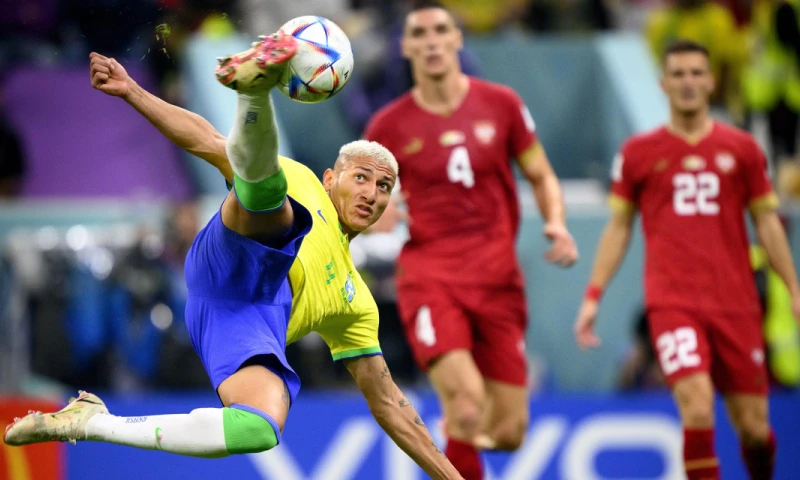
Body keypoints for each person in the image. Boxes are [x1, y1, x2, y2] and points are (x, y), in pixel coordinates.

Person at [4, 33, 463, 480]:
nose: (371, 192)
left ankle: (92, 422)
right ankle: (255, 92)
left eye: (384, 187)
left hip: (241, 320)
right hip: (231, 255)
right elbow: (205, 140)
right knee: (275, 201)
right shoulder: (303, 181)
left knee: (259, 429)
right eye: (361, 177)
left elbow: (390, 404)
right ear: (330, 178)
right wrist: (132, 92)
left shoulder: (355, 302)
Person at [364, 2, 578, 478]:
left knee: (509, 430)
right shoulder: (388, 126)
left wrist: (557, 222)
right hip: (431, 277)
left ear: (458, 39)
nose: (433, 40)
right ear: (406, 47)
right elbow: (356, 193)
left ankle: (451, 445)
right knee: (465, 404)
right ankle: (456, 437)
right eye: (420, 33)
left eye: (442, 29)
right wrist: (374, 213)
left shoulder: (502, 105)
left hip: (498, 279)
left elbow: (540, 174)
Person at [574, 39, 800, 480]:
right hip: (673, 302)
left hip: (735, 303)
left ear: (712, 81)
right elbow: (618, 228)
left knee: (754, 430)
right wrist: (593, 295)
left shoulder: (742, 149)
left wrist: (793, 288)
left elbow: (768, 224)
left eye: (697, 73)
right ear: (663, 84)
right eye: (678, 74)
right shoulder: (639, 153)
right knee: (696, 407)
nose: (688, 82)